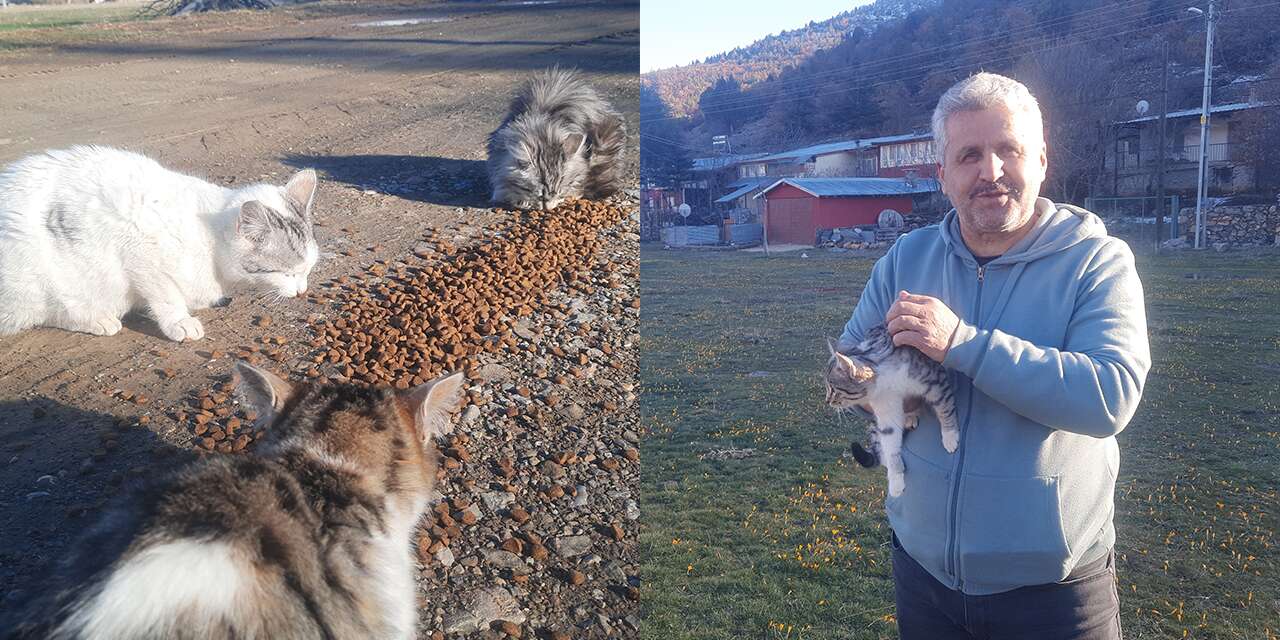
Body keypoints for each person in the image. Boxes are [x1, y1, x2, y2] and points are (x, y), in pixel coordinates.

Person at [837, 72, 1150, 639]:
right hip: (923, 573)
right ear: (943, 173)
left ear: (1042, 160)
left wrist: (961, 344)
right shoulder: (907, 257)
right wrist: (876, 389)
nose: (991, 171)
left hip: (1054, 593)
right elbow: (853, 367)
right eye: (969, 155)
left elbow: (1109, 397)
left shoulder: (1096, 262)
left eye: (1009, 150)